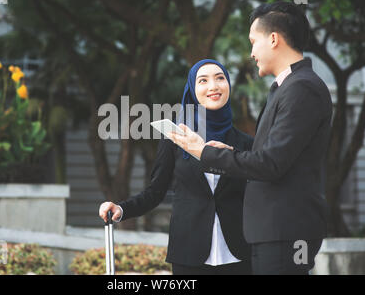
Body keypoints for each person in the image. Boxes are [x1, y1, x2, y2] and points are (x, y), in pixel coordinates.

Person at [168, 1, 332, 275]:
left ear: (273, 39)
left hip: (284, 231)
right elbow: (271, 157)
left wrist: (203, 152)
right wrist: (228, 151)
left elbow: (270, 164)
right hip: (272, 232)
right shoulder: (287, 87)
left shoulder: (302, 88)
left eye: (253, 42)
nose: (252, 52)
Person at [99, 59, 253, 275]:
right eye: (203, 80)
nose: (213, 86)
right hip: (189, 253)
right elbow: (155, 191)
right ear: (192, 89)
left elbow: (258, 193)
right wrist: (122, 209)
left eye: (220, 78)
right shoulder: (175, 139)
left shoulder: (246, 143)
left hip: (240, 254)